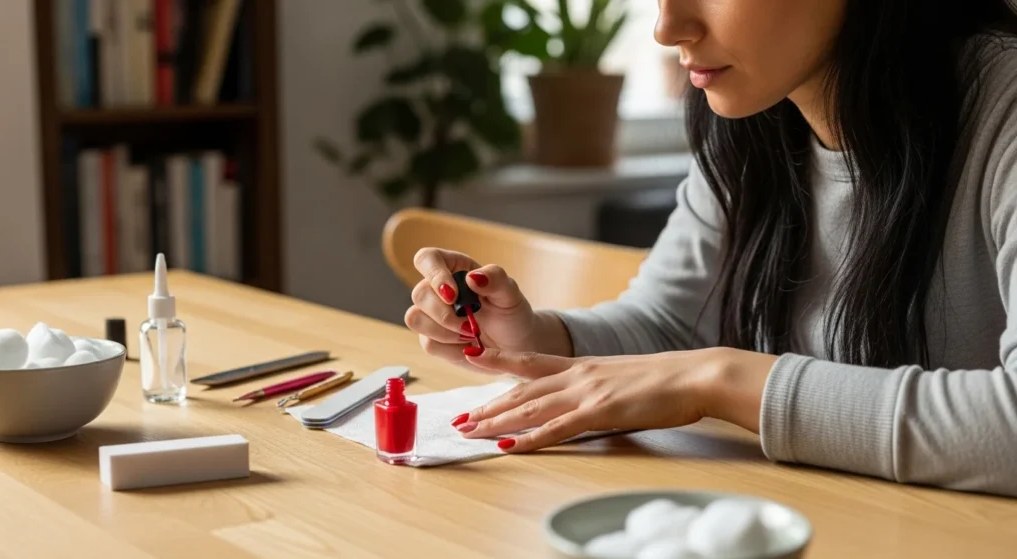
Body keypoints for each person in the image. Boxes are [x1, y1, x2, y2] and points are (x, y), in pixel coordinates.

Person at [403, 0, 1017, 498]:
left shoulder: (1004, 110)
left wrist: (720, 378)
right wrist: (535, 339)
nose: (668, 26)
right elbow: (670, 322)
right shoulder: (755, 117)